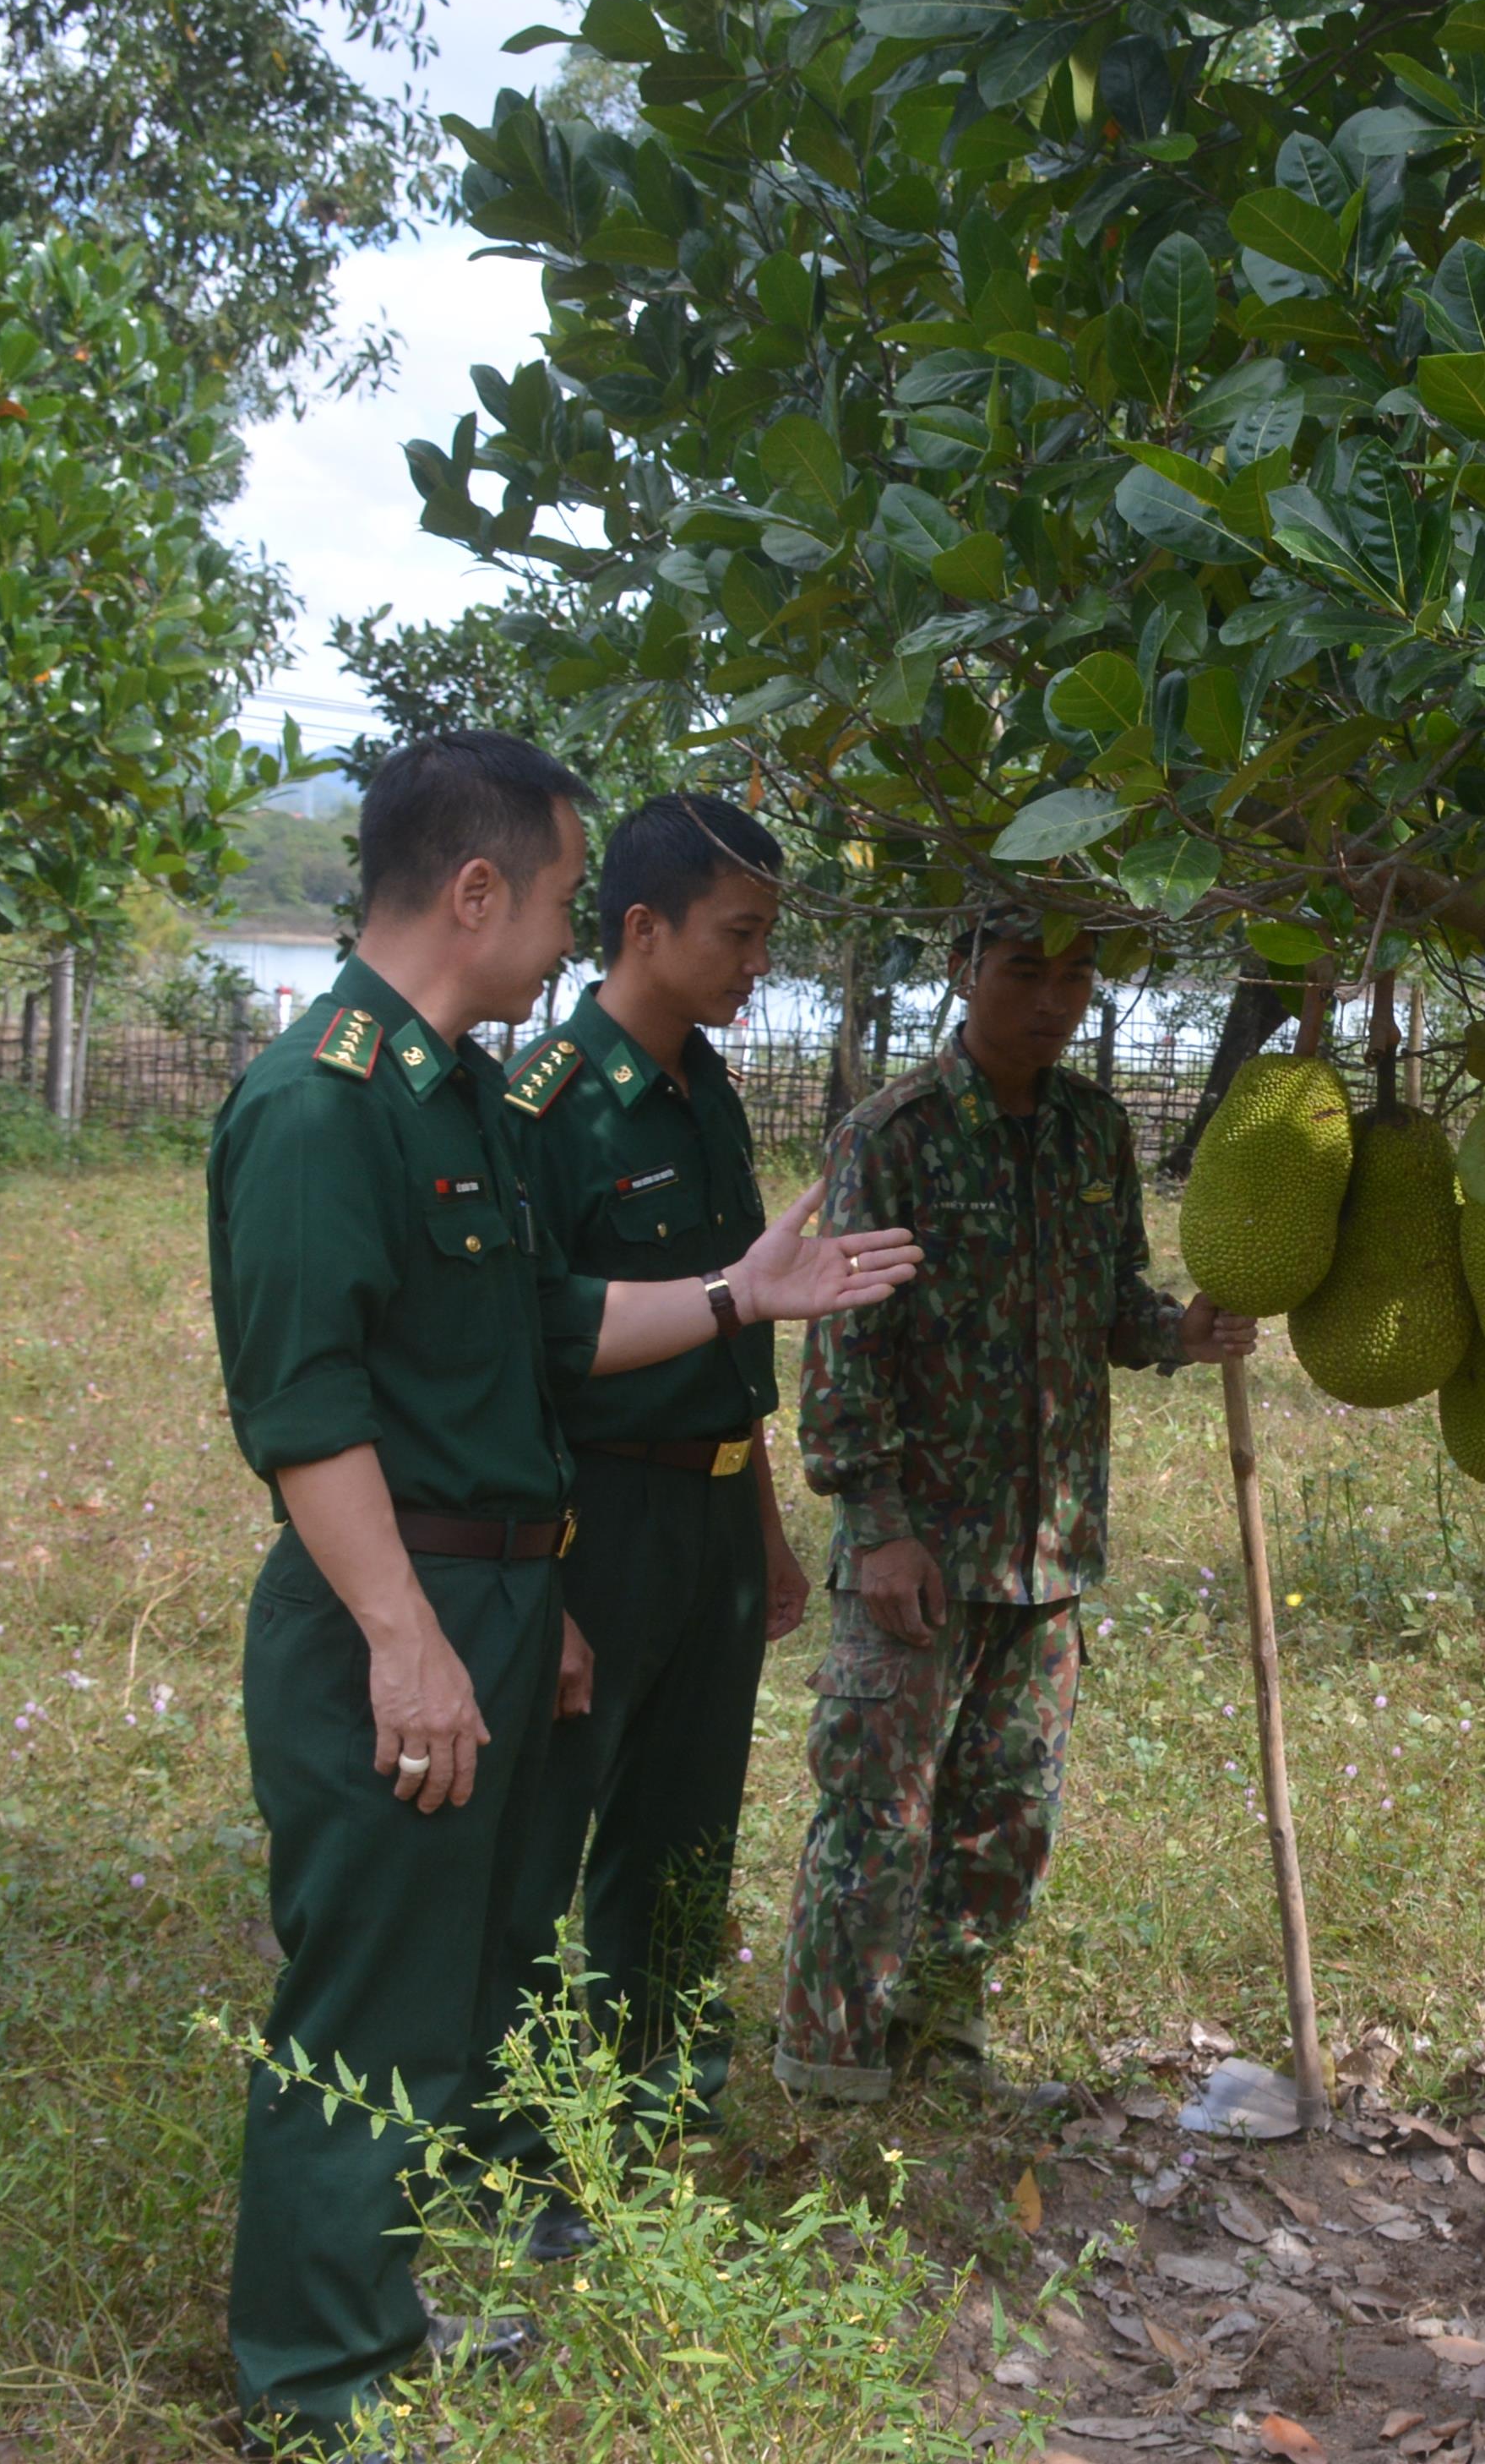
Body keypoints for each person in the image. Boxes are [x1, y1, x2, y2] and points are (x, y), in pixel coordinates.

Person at [205, 733, 920, 2457]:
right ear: (475, 894)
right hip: (404, 1605)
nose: (565, 928)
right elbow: (303, 1415)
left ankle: (383, 2318)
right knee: (368, 1994)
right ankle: (313, 2388)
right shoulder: (317, 1102)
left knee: (463, 1982)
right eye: (552, 893)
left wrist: (741, 1300)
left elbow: (549, 1338)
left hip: (509, 1599)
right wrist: (406, 1644)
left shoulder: (445, 1090)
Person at [771, 910, 1256, 2103]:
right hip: (921, 1547)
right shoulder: (892, 1138)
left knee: (1009, 1813)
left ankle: (945, 2034)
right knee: (880, 1813)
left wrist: (1178, 1334)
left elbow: (1110, 1304)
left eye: (1076, 975)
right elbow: (841, 1354)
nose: (1053, 998)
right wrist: (876, 1528)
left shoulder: (1092, 1130)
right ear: (961, 970)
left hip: (1049, 1552)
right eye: (1024, 970)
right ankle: (831, 2064)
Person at [481, 793, 808, 2254]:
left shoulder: (709, 1093)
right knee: (545, 1840)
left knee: (686, 1828)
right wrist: (536, 1584)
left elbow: (735, 1329)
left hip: (715, 1512)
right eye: (737, 936)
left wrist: (771, 1531)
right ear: (642, 928)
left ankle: (660, 2104)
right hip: (593, 1520)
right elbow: (514, 1362)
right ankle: (517, 2151)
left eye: (766, 938)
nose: (756, 965)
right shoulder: (547, 1111)